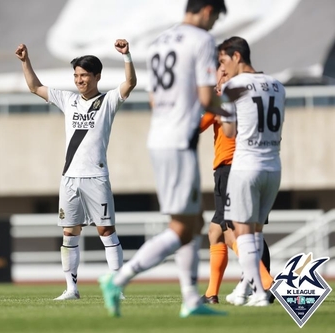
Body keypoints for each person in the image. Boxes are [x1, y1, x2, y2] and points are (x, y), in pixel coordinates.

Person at [99, 0, 229, 318]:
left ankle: (190, 299)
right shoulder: (200, 40)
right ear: (208, 10)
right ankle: (118, 278)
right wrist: (233, 112)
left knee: (193, 221)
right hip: (178, 141)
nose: (212, 27)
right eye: (215, 21)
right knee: (183, 227)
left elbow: (155, 100)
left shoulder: (160, 43)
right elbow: (206, 97)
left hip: (160, 136)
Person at [15, 39, 137, 300]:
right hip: (69, 179)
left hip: (96, 177)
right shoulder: (67, 99)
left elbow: (130, 84)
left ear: (97, 76)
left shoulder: (108, 102)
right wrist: (25, 61)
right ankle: (71, 289)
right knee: (69, 232)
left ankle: (116, 286)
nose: (79, 80)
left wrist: (127, 56)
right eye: (76, 75)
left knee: (106, 230)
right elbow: (35, 87)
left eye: (84, 75)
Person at [218, 36, 285, 306]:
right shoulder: (278, 85)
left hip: (246, 166)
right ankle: (244, 290)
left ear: (236, 56)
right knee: (255, 234)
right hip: (273, 166)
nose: (223, 68)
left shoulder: (234, 86)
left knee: (241, 233)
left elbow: (229, 131)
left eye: (224, 61)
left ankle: (259, 293)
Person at [200, 67, 274, 304]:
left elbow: (196, 125)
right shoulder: (251, 101)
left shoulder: (223, 102)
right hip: (256, 167)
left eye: (223, 73)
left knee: (231, 233)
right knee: (217, 231)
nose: (218, 79)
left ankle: (268, 282)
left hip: (230, 169)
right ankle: (211, 293)